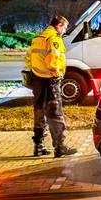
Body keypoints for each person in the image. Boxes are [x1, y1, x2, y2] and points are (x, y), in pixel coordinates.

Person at [24, 15, 78, 158]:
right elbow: (53, 60)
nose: (65, 31)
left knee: (39, 111)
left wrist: (35, 71)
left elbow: (28, 58)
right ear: (59, 25)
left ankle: (38, 146)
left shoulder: (38, 38)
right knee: (55, 113)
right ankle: (60, 147)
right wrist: (57, 73)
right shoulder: (54, 39)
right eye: (65, 27)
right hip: (50, 80)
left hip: (37, 79)